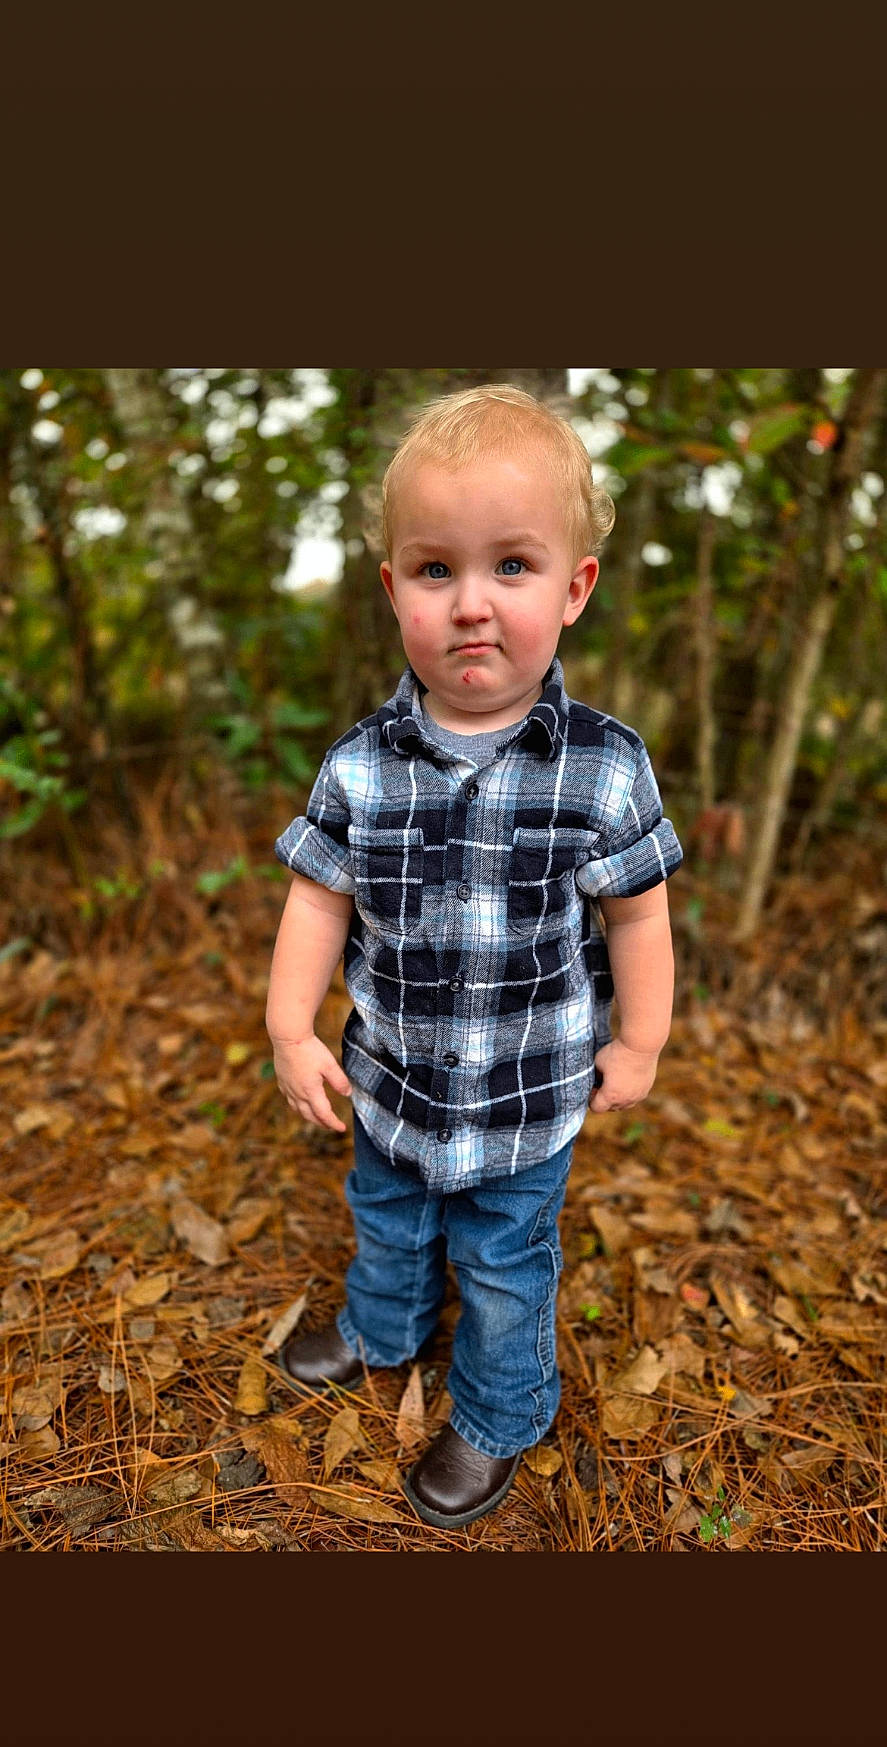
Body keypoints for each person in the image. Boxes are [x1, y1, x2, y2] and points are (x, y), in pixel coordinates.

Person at [266, 383, 683, 1530]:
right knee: (386, 1218)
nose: (472, 606)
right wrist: (288, 1029)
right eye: (436, 570)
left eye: (511, 566)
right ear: (393, 588)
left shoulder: (600, 769)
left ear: (573, 588)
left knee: (505, 1266)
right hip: (391, 1081)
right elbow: (315, 903)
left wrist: (639, 1040)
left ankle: (499, 1412)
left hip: (524, 1097)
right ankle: (378, 1329)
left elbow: (636, 916)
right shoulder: (360, 767)